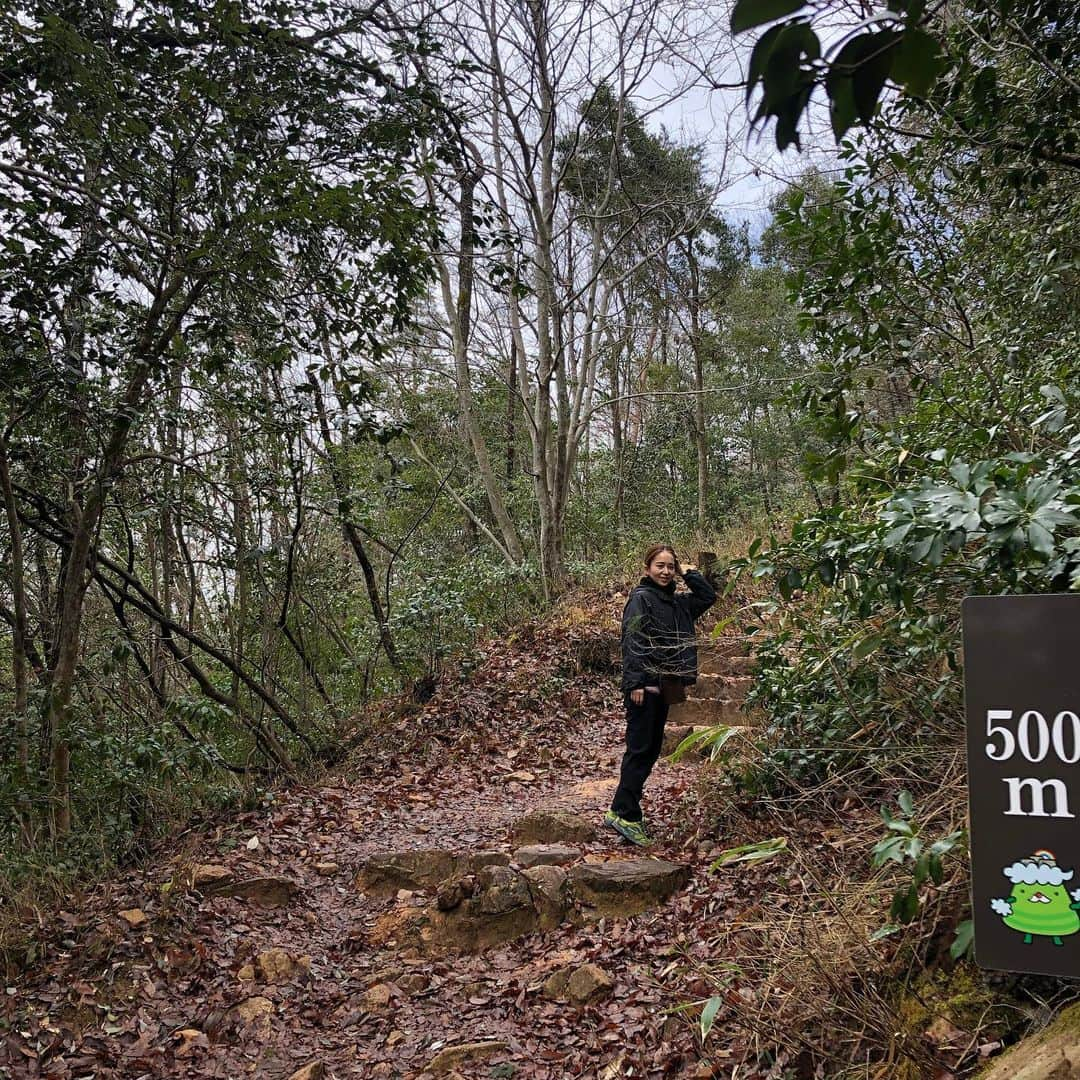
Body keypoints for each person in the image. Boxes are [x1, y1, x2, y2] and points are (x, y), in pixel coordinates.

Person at [605, 544, 716, 846]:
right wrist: (635, 683)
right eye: (660, 566)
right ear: (647, 568)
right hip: (644, 689)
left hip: (664, 687)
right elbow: (632, 639)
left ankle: (623, 809)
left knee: (650, 750)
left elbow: (708, 597)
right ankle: (624, 813)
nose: (665, 572)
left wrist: (688, 573)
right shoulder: (641, 600)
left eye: (670, 567)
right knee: (640, 749)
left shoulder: (678, 604)